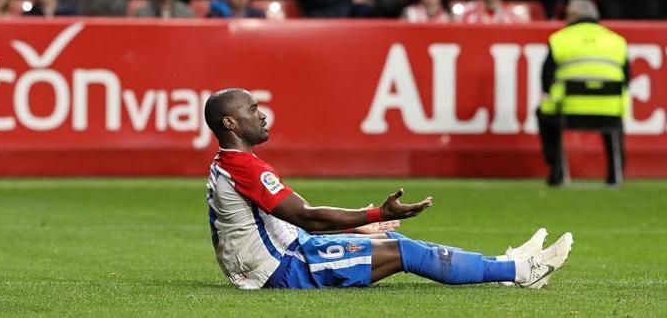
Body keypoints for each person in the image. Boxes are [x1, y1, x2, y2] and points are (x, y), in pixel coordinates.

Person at [204, 88, 573, 290]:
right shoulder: (242, 166)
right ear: (230, 121)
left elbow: (279, 223)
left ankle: (508, 266)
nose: (262, 114)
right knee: (404, 251)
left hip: (283, 255)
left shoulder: (229, 164)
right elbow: (305, 217)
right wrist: (377, 214)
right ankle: (523, 272)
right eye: (253, 109)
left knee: (397, 246)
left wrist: (354, 227)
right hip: (284, 268)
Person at [536, 0, 630, 186]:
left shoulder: (560, 39)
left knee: (543, 114)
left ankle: (557, 170)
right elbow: (627, 78)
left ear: (574, 16)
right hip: (609, 110)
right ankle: (615, 173)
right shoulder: (617, 41)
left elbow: (546, 78)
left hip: (569, 111)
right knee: (614, 124)